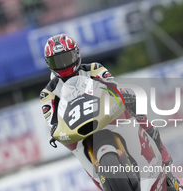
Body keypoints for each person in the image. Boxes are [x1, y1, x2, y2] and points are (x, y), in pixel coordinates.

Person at [40, 34, 174, 167]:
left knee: (129, 99)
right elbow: (51, 121)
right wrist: (55, 131)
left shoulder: (94, 68)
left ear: (76, 54)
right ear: (49, 64)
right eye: (56, 61)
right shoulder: (47, 93)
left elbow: (113, 86)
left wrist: (122, 95)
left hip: (103, 112)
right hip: (76, 127)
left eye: (66, 58)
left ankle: (161, 150)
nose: (63, 65)